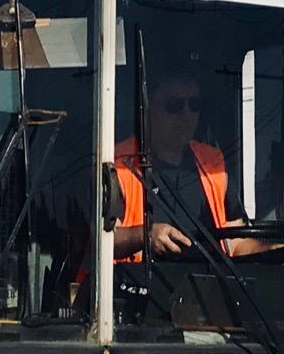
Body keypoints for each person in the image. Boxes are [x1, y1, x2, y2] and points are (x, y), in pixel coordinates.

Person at [111, 71, 266, 262]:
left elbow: (236, 243)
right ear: (147, 108)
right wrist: (144, 236)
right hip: (139, 287)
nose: (186, 115)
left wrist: (275, 254)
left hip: (211, 286)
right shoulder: (118, 165)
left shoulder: (213, 163)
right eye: (174, 105)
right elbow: (105, 241)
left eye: (194, 105)